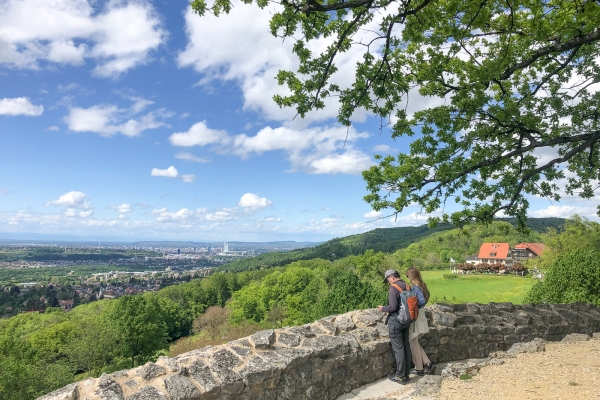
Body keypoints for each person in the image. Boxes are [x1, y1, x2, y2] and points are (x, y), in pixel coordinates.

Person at [378, 269, 412, 385]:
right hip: (407, 320)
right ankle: (407, 373)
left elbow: (392, 307)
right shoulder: (407, 285)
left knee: (398, 349)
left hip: (396, 321)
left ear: (392, 277)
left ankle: (401, 376)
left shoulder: (394, 288)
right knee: (406, 346)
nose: (388, 282)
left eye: (387, 279)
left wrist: (383, 308)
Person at [405, 266, 435, 376]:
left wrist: (414, 308)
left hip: (417, 318)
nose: (407, 278)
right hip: (422, 317)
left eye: (408, 275)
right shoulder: (423, 285)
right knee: (415, 342)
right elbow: (426, 298)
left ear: (411, 275)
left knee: (413, 342)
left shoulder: (416, 287)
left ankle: (419, 369)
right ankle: (428, 363)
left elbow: (421, 301)